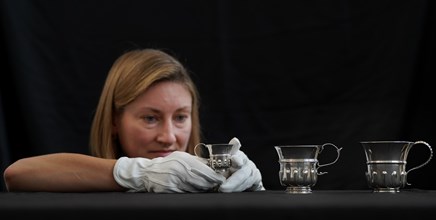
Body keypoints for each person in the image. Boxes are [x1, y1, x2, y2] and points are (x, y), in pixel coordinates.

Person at [3, 48, 264, 193]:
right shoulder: (87, 185)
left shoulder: (207, 190)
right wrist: (141, 173)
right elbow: (17, 174)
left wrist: (254, 196)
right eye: (150, 118)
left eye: (181, 117)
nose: (169, 137)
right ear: (115, 121)